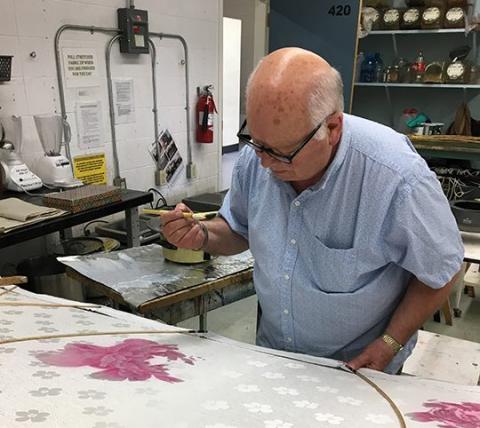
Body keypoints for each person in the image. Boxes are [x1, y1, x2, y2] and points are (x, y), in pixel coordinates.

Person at [161, 47, 464, 374]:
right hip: (274, 355)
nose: (265, 163)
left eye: (282, 153)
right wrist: (202, 235)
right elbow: (238, 229)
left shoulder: (397, 177)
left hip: (359, 368)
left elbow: (442, 269)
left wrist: (390, 343)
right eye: (257, 142)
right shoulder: (259, 155)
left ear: (332, 129)